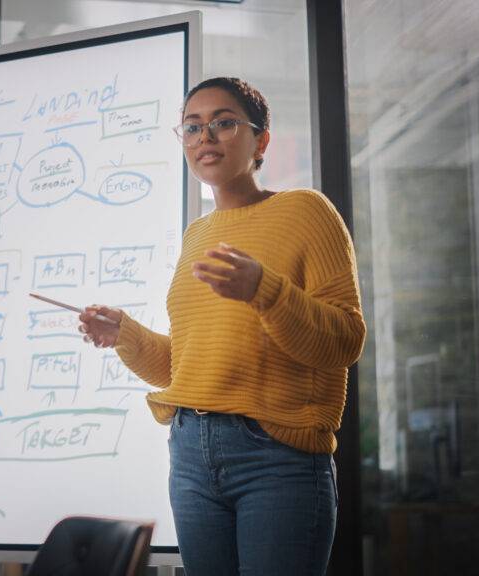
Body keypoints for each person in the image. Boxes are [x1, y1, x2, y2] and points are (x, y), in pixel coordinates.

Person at [78, 77, 366, 575]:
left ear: (262, 141)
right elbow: (184, 366)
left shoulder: (306, 211)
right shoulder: (198, 234)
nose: (204, 137)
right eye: (192, 127)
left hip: (276, 456)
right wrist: (125, 333)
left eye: (223, 123)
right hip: (191, 452)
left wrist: (264, 290)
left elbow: (344, 340)